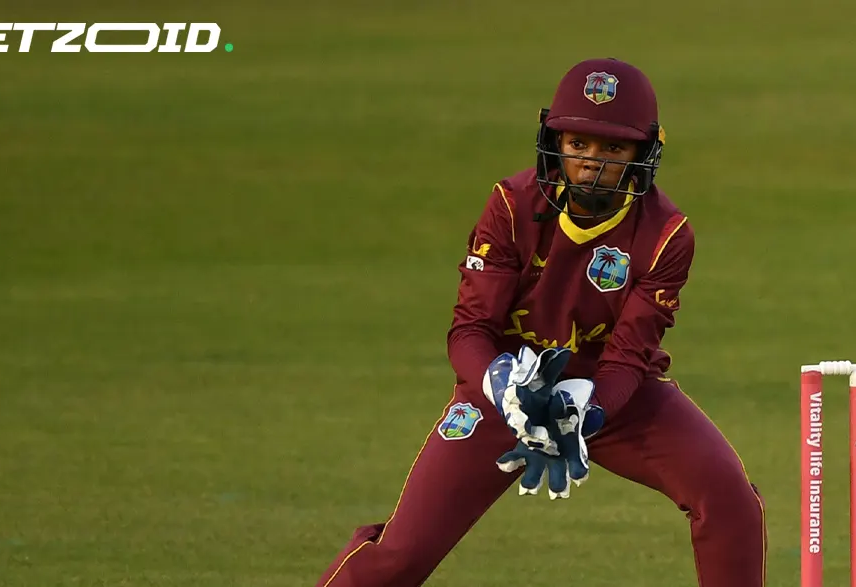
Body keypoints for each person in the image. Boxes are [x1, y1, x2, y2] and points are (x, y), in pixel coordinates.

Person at [315, 57, 766, 587]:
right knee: (403, 555)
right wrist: (504, 386)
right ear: (556, 142)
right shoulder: (511, 204)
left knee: (729, 499)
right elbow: (470, 331)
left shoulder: (667, 235)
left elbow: (628, 355)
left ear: (643, 154)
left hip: (612, 396)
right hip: (502, 390)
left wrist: (586, 407)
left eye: (613, 149)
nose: (591, 164)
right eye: (578, 145)